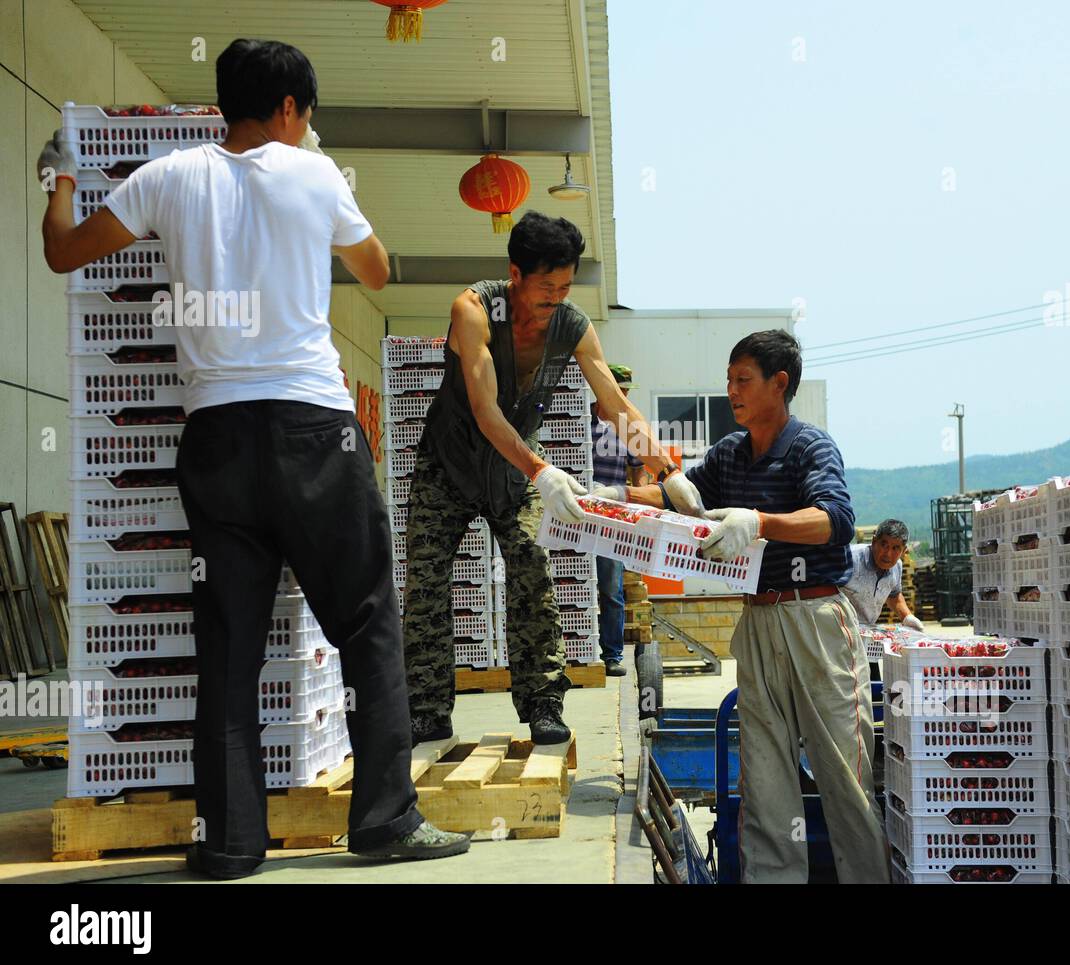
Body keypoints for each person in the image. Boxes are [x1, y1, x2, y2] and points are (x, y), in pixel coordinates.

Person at [38, 39, 469, 878]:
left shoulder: (165, 176)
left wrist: (59, 179)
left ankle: (230, 843)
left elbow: (63, 251)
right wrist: (321, 176)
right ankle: (383, 822)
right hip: (315, 431)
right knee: (369, 625)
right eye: (304, 113)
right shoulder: (315, 176)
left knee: (228, 650)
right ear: (288, 111)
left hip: (217, 440)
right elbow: (380, 272)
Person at [597, 330, 888, 883]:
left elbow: (835, 521)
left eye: (742, 380)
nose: (731, 391)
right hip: (758, 620)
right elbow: (681, 499)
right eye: (728, 380)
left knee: (843, 775)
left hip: (816, 621)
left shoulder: (810, 447)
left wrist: (758, 522)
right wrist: (609, 498)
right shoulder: (730, 452)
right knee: (765, 778)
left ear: (780, 384)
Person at [402, 213, 701, 747]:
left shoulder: (572, 325)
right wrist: (541, 470)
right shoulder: (473, 311)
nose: (556, 299)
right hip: (448, 462)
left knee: (532, 570)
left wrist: (667, 469)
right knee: (426, 584)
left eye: (565, 287)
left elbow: (613, 403)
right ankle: (425, 708)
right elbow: (485, 410)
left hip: (516, 467)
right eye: (546, 287)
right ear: (515, 273)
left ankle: (543, 702)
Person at [591, 365, 650, 677]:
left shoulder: (629, 429)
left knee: (610, 589)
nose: (623, 397)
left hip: (610, 520)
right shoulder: (580, 422)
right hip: (573, 516)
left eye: (627, 392)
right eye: (619, 390)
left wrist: (644, 506)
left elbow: (640, 471)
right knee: (568, 588)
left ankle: (612, 655)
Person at [842, 520, 923, 629]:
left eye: (895, 548)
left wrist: (907, 617)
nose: (888, 554)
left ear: (904, 551)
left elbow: (894, 596)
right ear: (874, 541)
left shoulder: (897, 567)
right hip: (839, 630)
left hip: (866, 631)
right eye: (884, 545)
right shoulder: (850, 558)